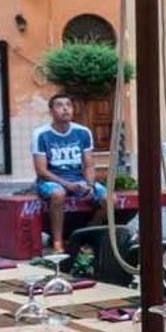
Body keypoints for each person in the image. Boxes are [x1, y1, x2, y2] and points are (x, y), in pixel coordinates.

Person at [32, 94, 105, 253]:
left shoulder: (83, 132)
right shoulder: (41, 134)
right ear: (51, 111)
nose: (65, 109)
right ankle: (58, 242)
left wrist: (90, 185)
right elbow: (41, 170)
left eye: (68, 105)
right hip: (51, 180)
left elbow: (89, 164)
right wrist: (67, 185)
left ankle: (86, 235)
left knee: (108, 198)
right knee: (58, 194)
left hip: (78, 179)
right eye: (59, 105)